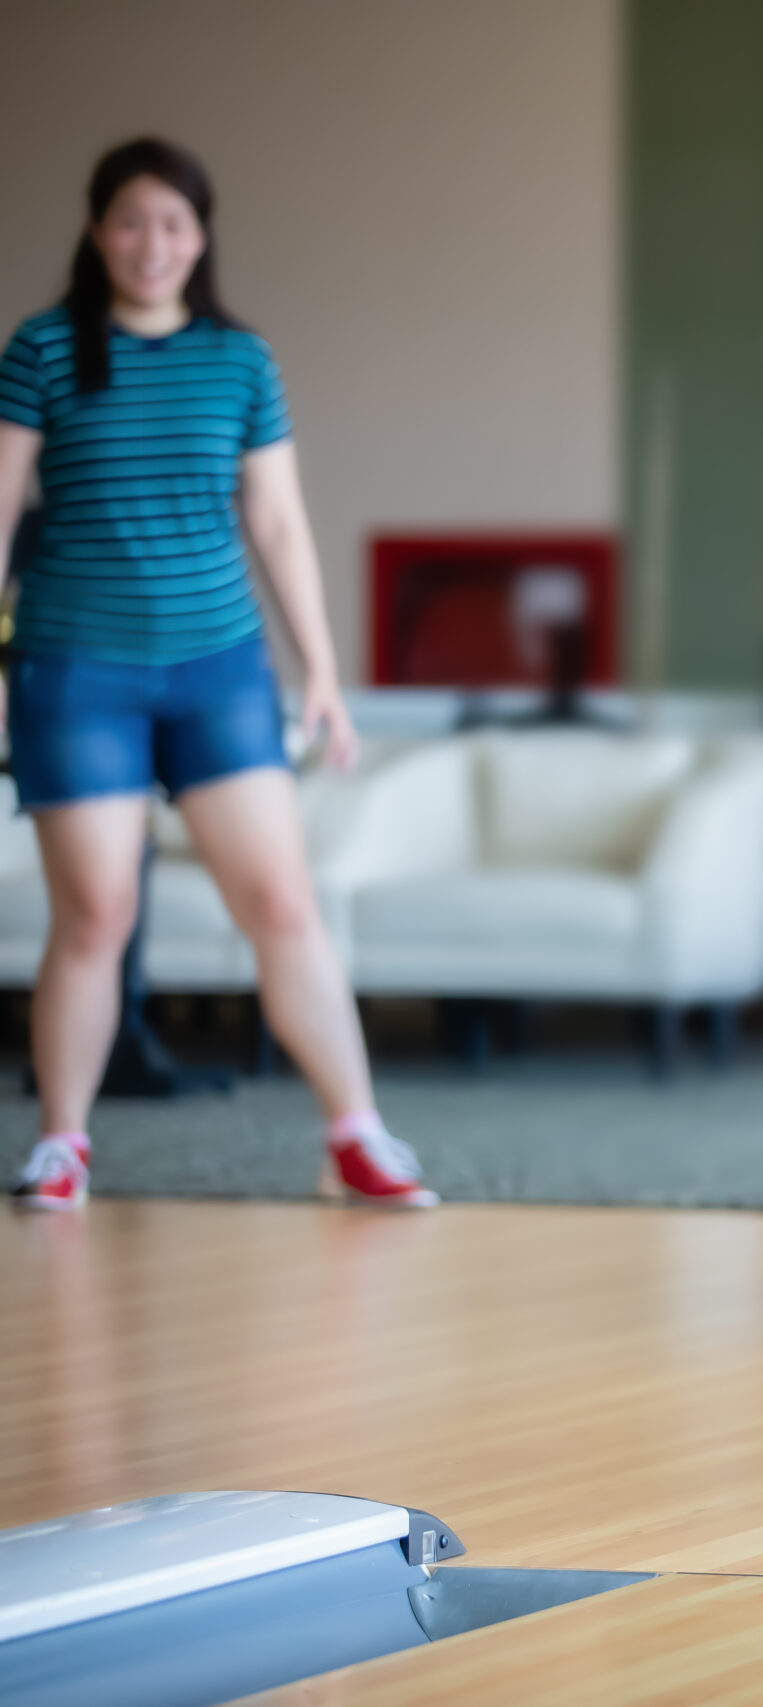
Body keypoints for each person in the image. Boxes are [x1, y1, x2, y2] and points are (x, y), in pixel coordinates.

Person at [1, 138, 434, 1211]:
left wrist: (322, 672)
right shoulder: (43, 350)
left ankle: (357, 1133)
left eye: (175, 226)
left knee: (281, 900)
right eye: (131, 223)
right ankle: (63, 1145)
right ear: (98, 232)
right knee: (95, 915)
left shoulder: (242, 362)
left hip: (220, 673)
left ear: (203, 239)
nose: (153, 245)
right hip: (76, 670)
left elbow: (278, 524)